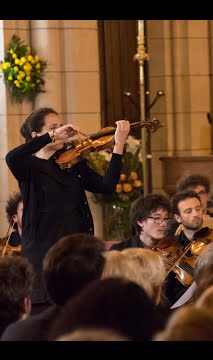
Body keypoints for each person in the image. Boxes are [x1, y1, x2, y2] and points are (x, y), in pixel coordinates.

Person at [5, 107, 130, 310]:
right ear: (37, 135)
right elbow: (11, 157)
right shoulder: (28, 166)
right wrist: (52, 136)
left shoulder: (72, 161)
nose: (62, 130)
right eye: (54, 127)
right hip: (44, 256)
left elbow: (106, 186)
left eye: (61, 125)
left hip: (76, 255)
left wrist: (119, 145)